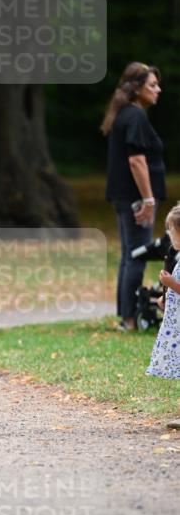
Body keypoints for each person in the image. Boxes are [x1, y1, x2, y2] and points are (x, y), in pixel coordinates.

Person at [102, 62, 166, 331]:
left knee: (130, 254)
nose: (158, 90)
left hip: (123, 196)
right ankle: (130, 319)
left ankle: (127, 317)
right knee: (137, 255)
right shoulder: (136, 117)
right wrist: (148, 199)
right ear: (137, 89)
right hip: (135, 198)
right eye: (152, 85)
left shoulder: (124, 114)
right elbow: (137, 162)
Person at [146, 203, 180, 380]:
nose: (169, 236)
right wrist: (165, 296)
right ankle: (168, 369)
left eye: (171, 232)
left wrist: (170, 283)